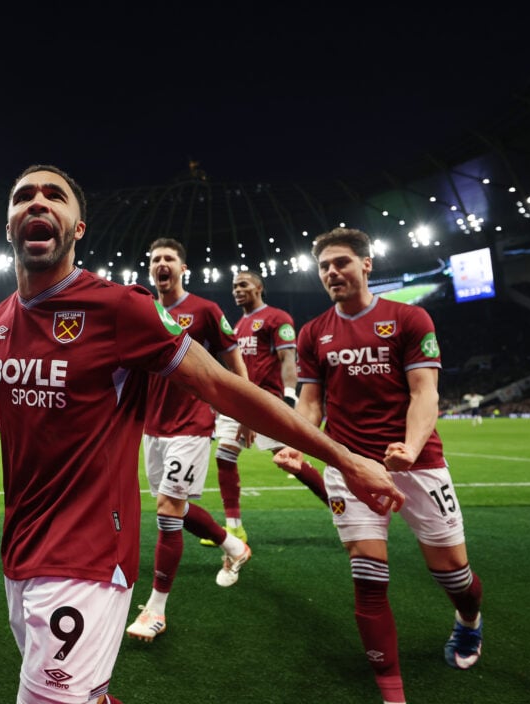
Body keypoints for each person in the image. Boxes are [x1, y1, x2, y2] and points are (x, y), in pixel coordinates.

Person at [0, 165, 404, 704]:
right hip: (20, 552)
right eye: (25, 195)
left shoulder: (118, 308)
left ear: (77, 228)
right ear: (9, 224)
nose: (38, 200)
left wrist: (344, 457)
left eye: (55, 196)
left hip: (89, 556)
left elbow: (224, 387)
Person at [274, 227, 483, 704]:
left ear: (367, 265)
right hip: (349, 463)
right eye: (325, 266)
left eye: (342, 262)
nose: (332, 272)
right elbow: (310, 404)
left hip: (417, 462)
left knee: (454, 573)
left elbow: (424, 392)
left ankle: (468, 621)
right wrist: (300, 444)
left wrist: (410, 446)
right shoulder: (313, 332)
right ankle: (393, 695)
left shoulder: (409, 318)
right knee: (367, 574)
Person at [125, 237, 251, 643]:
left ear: (183, 269)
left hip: (192, 423)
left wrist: (245, 411)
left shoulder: (205, 310)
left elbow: (233, 360)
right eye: (155, 258)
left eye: (168, 259)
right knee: (172, 505)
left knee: (167, 509)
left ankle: (156, 609)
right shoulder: (143, 310)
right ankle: (233, 545)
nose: (161, 263)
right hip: (152, 426)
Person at [204, 271, 328, 545]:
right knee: (225, 457)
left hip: (266, 402)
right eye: (234, 285)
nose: (237, 290)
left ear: (259, 287)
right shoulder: (238, 326)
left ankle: (335, 504)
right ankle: (234, 528)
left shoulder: (277, 318)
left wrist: (288, 398)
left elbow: (287, 360)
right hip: (240, 402)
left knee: (288, 459)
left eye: (243, 285)